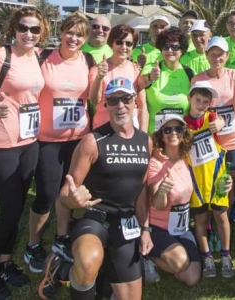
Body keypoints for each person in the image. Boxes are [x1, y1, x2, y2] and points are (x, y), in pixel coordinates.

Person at [38, 77, 153, 300]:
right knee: (88, 262)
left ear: (134, 102)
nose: (120, 105)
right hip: (94, 219)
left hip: (125, 223)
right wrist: (72, 200)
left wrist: (146, 229)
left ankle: (102, 277)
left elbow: (142, 191)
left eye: (126, 99)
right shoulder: (93, 140)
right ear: (106, 105)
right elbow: (65, 191)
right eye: (113, 100)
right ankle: (65, 269)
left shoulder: (145, 142)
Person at [0, 7, 50, 300]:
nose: (29, 34)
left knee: (15, 212)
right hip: (0, 143)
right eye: (23, 28)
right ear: (14, 29)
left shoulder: (38, 56)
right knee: (11, 211)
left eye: (35, 29)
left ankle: (4, 263)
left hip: (29, 142)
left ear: (42, 32)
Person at [24, 12, 91, 275]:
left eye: (79, 34)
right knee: (46, 194)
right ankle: (33, 244)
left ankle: (62, 238)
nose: (73, 38)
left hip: (77, 140)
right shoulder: (42, 57)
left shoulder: (89, 60)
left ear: (85, 39)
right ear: (60, 33)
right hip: (47, 140)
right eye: (70, 32)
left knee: (69, 190)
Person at [192, 36, 235, 223]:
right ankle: (208, 221)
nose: (217, 57)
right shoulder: (199, 79)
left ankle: (225, 218)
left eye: (221, 54)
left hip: (232, 138)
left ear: (227, 55)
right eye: (213, 53)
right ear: (207, 55)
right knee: (208, 180)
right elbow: (195, 109)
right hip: (209, 140)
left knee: (228, 182)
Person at [144, 114, 206, 285]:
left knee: (191, 278)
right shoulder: (155, 163)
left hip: (182, 227)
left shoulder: (187, 158)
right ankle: (146, 255)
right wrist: (163, 190)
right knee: (180, 262)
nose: (173, 133)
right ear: (161, 134)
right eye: (168, 129)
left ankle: (169, 257)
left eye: (178, 128)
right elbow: (158, 204)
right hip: (158, 227)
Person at [183, 81, 232, 278]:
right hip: (195, 181)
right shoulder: (181, 124)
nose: (201, 105)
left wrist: (220, 123)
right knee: (201, 219)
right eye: (198, 100)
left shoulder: (212, 118)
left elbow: (220, 122)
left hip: (216, 178)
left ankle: (226, 254)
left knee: (221, 217)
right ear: (189, 99)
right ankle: (207, 255)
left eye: (205, 101)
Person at [88, 24, 146, 130]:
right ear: (111, 44)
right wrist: (99, 78)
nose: (124, 47)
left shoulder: (136, 69)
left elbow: (142, 106)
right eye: (119, 42)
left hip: (129, 130)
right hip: (103, 128)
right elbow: (94, 101)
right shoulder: (97, 69)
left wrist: (143, 136)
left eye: (128, 44)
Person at [138, 27, 192, 134]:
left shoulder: (189, 72)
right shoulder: (151, 67)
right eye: (166, 46)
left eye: (174, 47)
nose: (170, 50)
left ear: (182, 50)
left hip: (181, 136)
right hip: (155, 136)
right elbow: (139, 85)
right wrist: (149, 78)